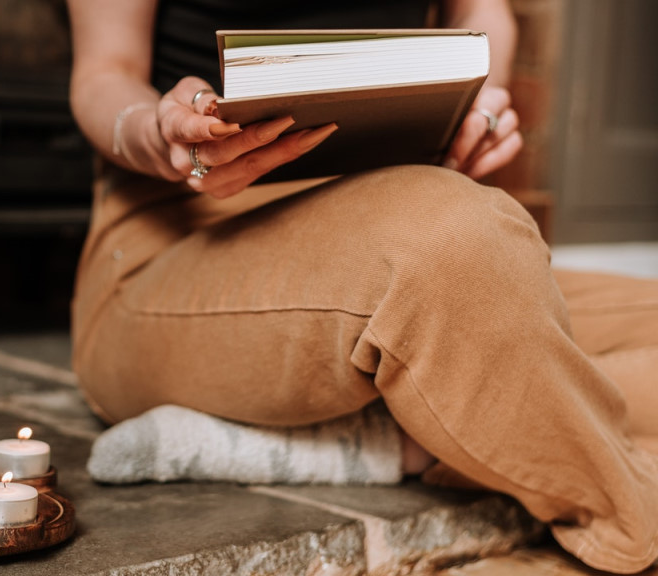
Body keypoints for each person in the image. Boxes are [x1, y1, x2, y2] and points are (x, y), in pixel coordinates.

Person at [64, 0, 658, 573]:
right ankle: (632, 518)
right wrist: (160, 133)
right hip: (179, 240)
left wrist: (482, 104)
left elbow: (482, 13)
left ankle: (388, 439)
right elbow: (103, 75)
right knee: (454, 242)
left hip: (386, 206)